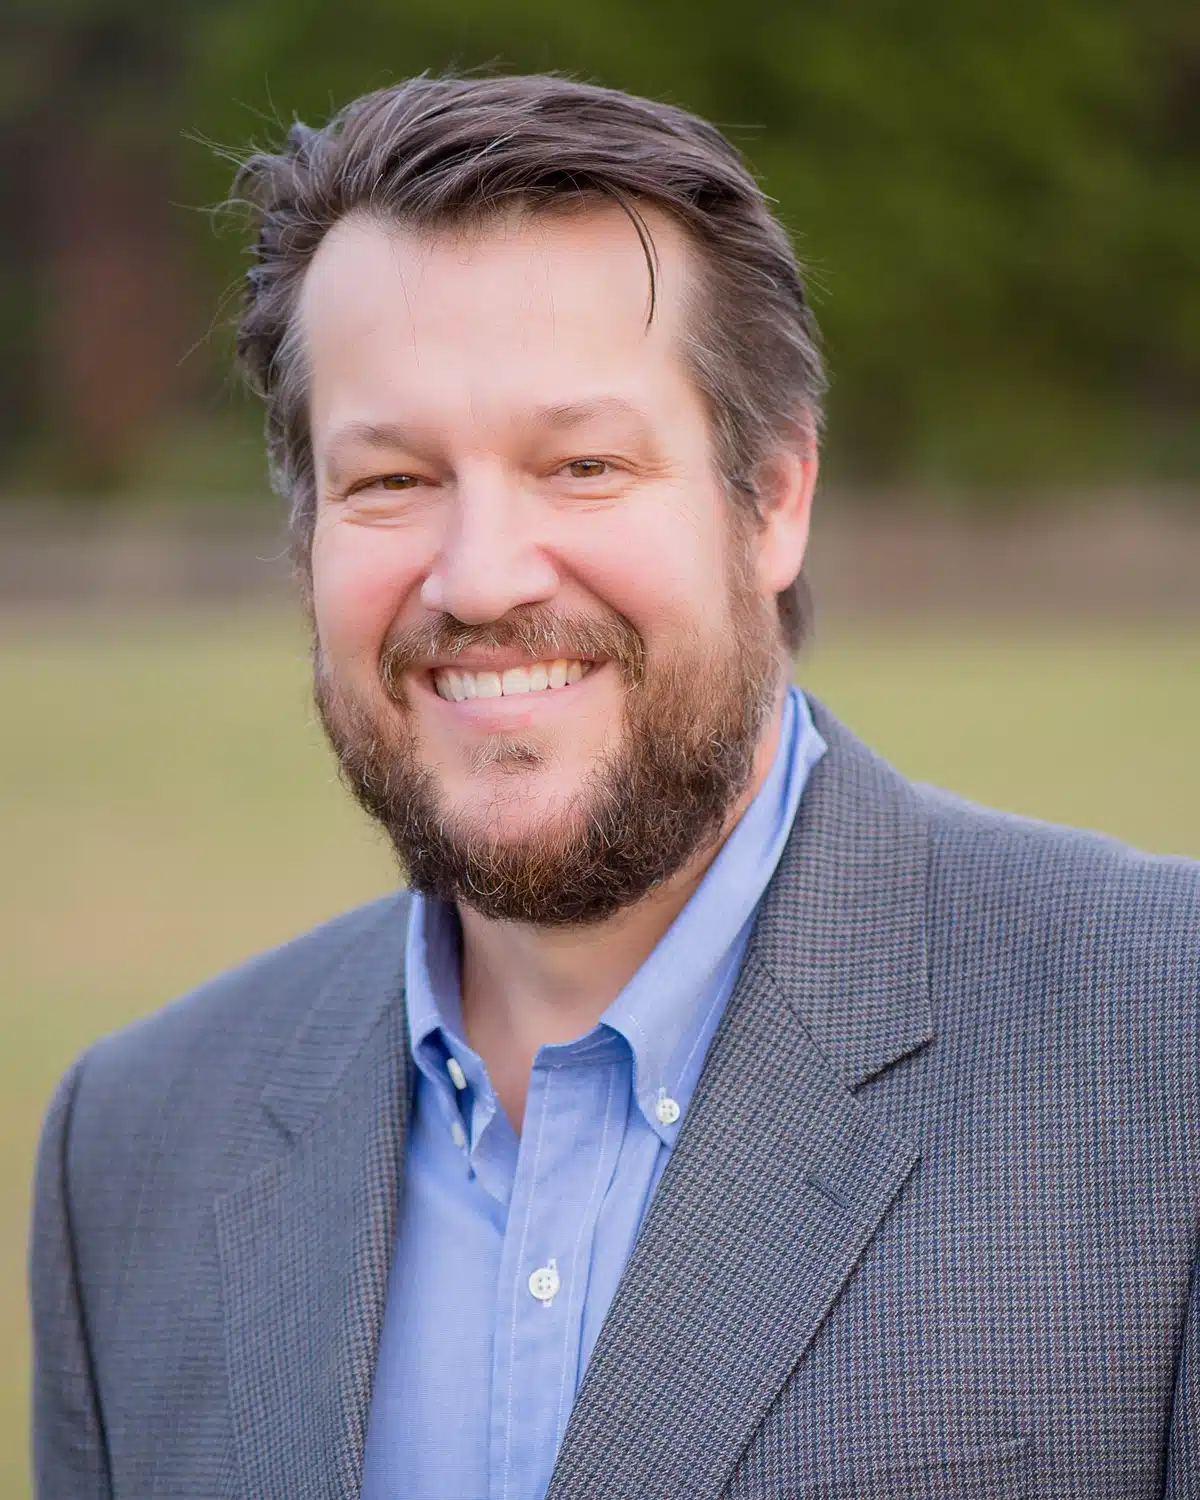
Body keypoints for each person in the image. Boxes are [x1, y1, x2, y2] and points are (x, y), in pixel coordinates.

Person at [29, 73, 1200, 1500]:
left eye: (582, 465)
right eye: (391, 482)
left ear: (772, 500)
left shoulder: (1162, 1042)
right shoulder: (136, 1150)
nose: (480, 578)